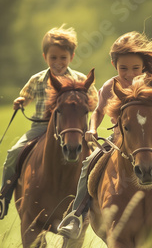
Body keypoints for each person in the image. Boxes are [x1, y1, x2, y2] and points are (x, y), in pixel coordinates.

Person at [57, 26, 152, 239]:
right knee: (88, 165)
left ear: (143, 66)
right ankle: (76, 215)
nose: (129, 74)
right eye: (123, 68)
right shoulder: (109, 86)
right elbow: (98, 111)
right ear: (114, 65)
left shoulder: (151, 84)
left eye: (135, 68)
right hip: (119, 138)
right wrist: (93, 128)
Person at [0, 25, 98, 219]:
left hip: (73, 130)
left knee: (96, 159)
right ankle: (4, 196)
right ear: (45, 57)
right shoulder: (37, 80)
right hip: (41, 128)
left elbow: (93, 103)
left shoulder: (80, 79)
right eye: (53, 58)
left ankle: (96, 203)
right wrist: (20, 102)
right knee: (13, 153)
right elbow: (25, 97)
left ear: (71, 57)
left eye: (63, 57)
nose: (58, 62)